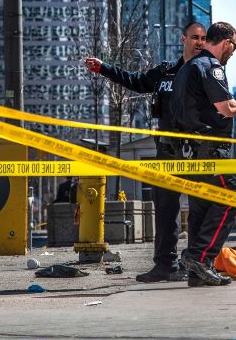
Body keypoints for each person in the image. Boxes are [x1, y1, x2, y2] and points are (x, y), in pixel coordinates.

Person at [83, 22, 207, 283]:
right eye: (194, 37)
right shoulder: (165, 72)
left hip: (197, 150)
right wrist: (104, 68)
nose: (199, 42)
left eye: (204, 39)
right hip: (167, 150)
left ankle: (197, 263)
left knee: (200, 207)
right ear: (183, 38)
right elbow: (137, 82)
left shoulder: (206, 72)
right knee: (165, 208)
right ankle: (165, 265)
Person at [169, 21, 236, 287]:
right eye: (234, 47)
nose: (233, 53)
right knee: (231, 198)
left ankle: (197, 272)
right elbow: (226, 108)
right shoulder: (210, 67)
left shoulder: (186, 68)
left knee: (202, 208)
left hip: (189, 152)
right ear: (227, 43)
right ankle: (199, 258)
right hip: (210, 151)